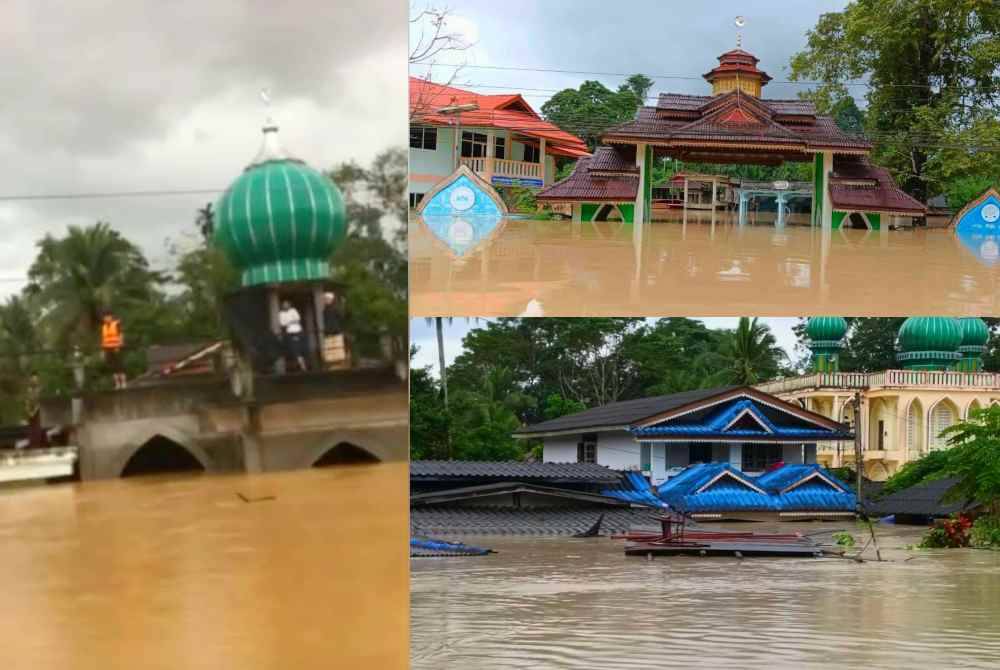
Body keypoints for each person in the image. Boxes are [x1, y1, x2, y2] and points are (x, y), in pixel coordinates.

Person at [278, 299, 307, 372]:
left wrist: (289, 322)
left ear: (289, 305)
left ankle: (301, 362)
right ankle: (300, 364)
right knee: (293, 348)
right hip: (289, 332)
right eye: (284, 304)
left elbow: (297, 319)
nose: (285, 306)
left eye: (287, 304)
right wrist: (291, 321)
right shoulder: (281, 313)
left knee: (300, 346)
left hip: (298, 331)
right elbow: (282, 324)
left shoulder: (293, 310)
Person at [101, 312, 127, 389]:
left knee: (120, 366)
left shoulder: (116, 324)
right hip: (108, 349)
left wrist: (119, 345)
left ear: (111, 317)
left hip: (116, 348)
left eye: (108, 317)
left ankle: (123, 383)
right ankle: (117, 384)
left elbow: (121, 335)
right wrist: (103, 350)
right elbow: (103, 339)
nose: (106, 318)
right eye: (105, 317)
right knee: (113, 367)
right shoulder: (104, 327)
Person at [322, 291, 347, 368]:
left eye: (327, 299)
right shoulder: (325, 310)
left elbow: (341, 317)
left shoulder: (335, 308)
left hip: (336, 330)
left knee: (338, 347)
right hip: (328, 331)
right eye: (325, 299)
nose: (326, 300)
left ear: (331, 299)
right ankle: (332, 364)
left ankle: (340, 363)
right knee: (330, 348)